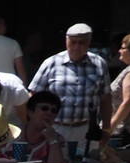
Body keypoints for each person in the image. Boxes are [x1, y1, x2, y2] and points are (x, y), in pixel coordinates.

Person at [26, 23, 111, 151]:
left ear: (89, 42)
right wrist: (33, 125)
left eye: (81, 42)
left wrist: (106, 128)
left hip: (86, 129)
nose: (77, 46)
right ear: (66, 41)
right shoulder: (51, 63)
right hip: (55, 127)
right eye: (73, 42)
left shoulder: (99, 64)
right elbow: (34, 96)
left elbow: (105, 98)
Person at [22, 89, 68, 163]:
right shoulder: (13, 135)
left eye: (54, 111)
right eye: (44, 108)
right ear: (30, 111)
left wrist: (53, 142)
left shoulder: (59, 140)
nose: (49, 113)